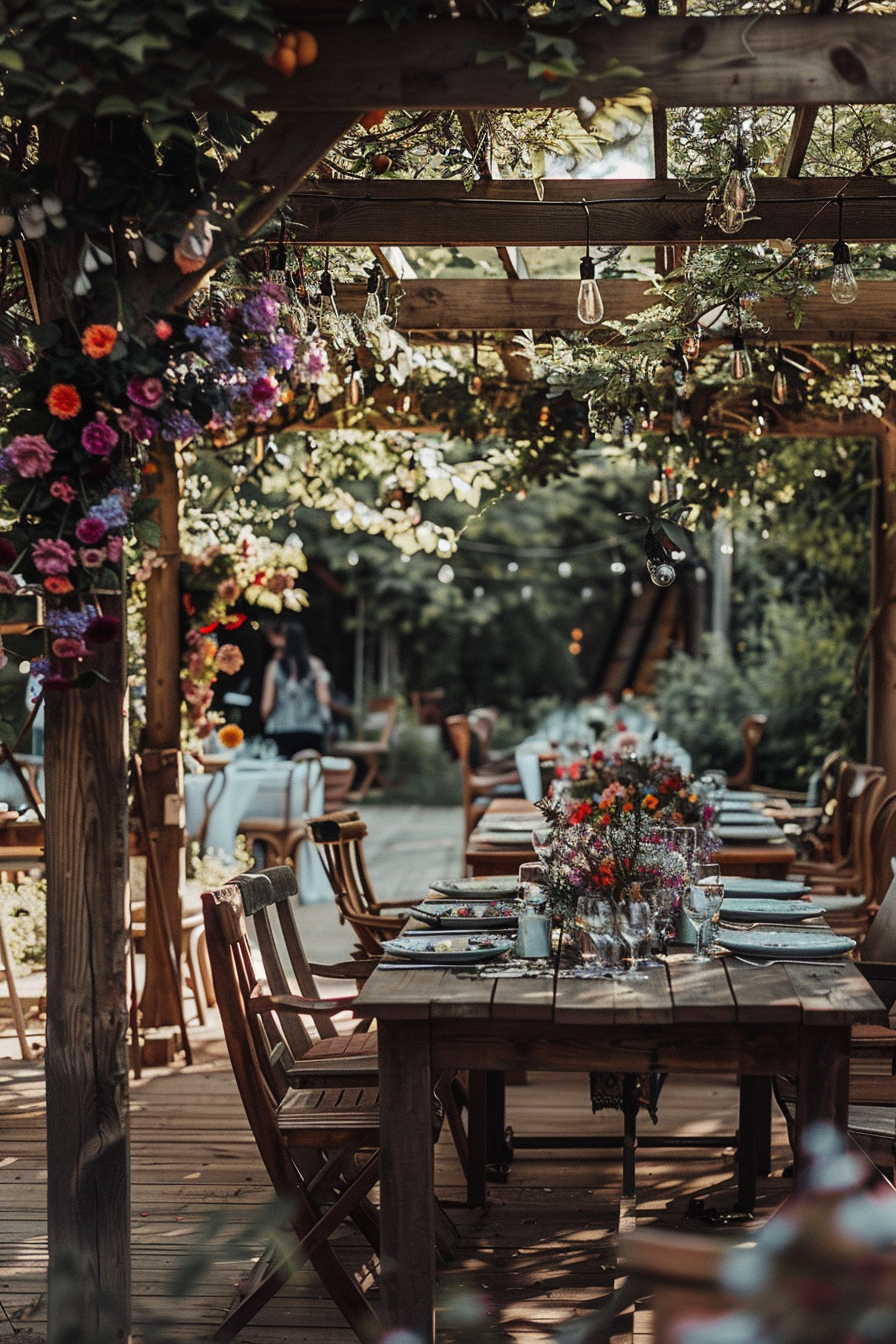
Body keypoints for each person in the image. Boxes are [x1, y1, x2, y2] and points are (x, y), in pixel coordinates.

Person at [260, 622, 331, 757]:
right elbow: (324, 699)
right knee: (310, 773)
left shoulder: (274, 667)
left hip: (280, 731)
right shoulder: (316, 665)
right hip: (311, 731)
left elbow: (266, 707)